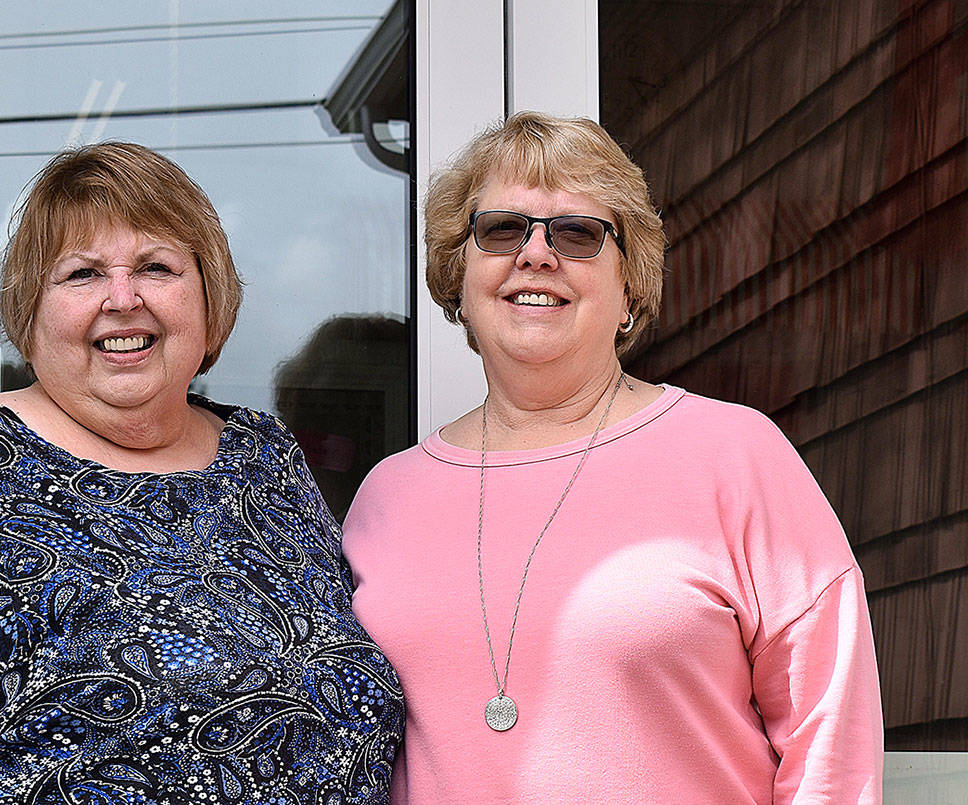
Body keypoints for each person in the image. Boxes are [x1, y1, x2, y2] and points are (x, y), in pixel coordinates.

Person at [0, 142, 403, 804]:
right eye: (83, 274)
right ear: (32, 312)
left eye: (155, 266)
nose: (124, 298)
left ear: (209, 298)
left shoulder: (265, 458)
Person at [342, 112, 882, 803]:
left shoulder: (736, 455)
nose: (536, 254)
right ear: (458, 271)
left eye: (577, 233)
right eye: (502, 229)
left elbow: (829, 739)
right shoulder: (389, 494)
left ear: (630, 283)